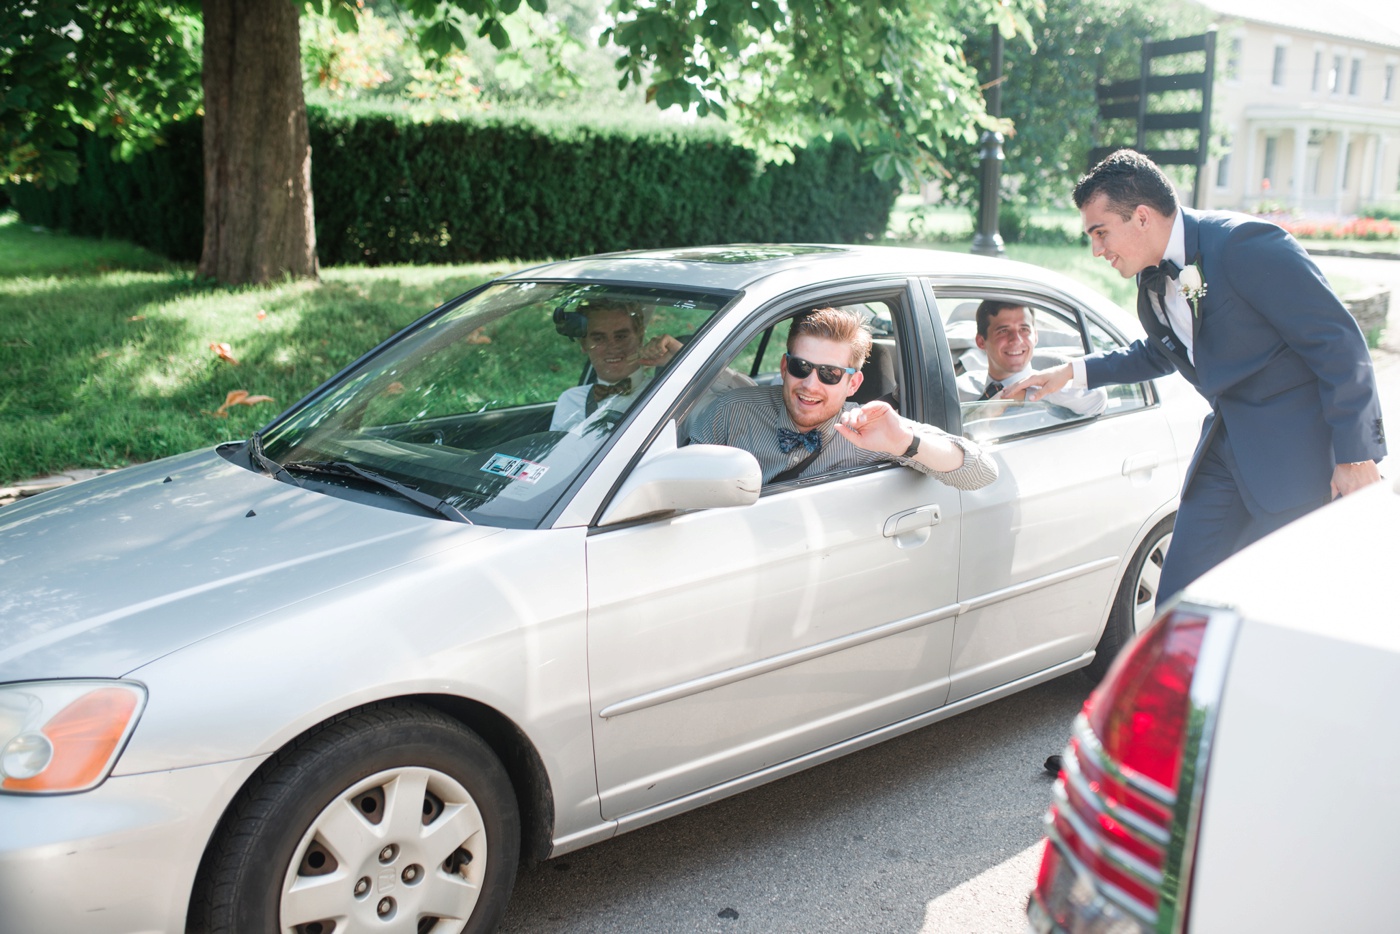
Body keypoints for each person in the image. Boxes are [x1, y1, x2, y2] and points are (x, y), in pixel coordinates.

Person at [1005, 149, 1386, 609]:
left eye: (1101, 233)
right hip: (1224, 452)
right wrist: (1074, 372)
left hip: (1298, 458)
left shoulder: (1247, 245)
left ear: (1141, 217)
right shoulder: (1151, 280)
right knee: (1178, 598)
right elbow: (1164, 351)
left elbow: (1339, 344)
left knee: (1273, 608)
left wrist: (1356, 455)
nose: (1097, 250)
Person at [689, 306, 998, 489]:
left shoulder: (872, 429)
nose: (810, 385)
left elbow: (982, 473)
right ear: (785, 367)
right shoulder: (729, 413)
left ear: (853, 383)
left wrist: (904, 442)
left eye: (830, 374)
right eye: (801, 367)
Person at [550, 300, 681, 433]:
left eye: (621, 337)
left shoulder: (665, 393)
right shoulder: (570, 400)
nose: (612, 347)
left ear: (640, 336)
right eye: (599, 339)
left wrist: (679, 358)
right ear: (584, 344)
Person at [956, 301, 1106, 417]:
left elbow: (1098, 398)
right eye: (1003, 331)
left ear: (1035, 336)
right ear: (981, 342)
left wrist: (1016, 396)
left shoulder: (1054, 392)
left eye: (1024, 329)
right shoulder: (963, 387)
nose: (1016, 340)